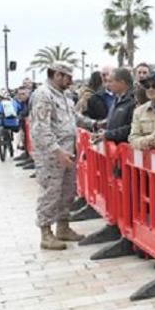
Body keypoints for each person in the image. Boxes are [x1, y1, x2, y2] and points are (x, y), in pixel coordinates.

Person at [29, 63, 101, 250]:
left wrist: (94, 124)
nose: (71, 80)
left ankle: (63, 227)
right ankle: (46, 233)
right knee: (50, 193)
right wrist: (57, 151)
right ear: (57, 75)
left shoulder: (64, 95)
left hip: (68, 151)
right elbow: (39, 128)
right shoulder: (43, 95)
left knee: (67, 191)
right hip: (51, 155)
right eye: (68, 77)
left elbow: (74, 118)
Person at [93, 68, 136, 144]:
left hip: (125, 149)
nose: (108, 84)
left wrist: (108, 134)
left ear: (122, 83)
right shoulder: (117, 99)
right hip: (113, 149)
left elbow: (132, 127)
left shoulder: (133, 101)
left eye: (110, 81)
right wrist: (105, 129)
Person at [0, 90, 23, 159]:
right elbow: (20, 111)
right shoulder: (14, 102)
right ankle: (12, 141)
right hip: (15, 124)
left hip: (2, 123)